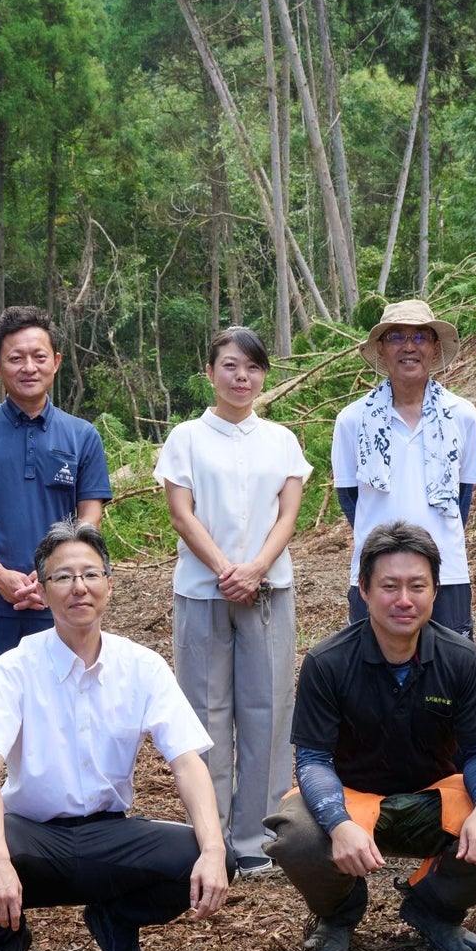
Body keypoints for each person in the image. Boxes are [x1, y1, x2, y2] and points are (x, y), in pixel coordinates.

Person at [0, 521, 233, 951]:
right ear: (42, 591)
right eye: (62, 577)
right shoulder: (13, 669)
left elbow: (187, 762)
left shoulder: (141, 666)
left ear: (109, 585)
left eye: (91, 574)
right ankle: (5, 938)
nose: (79, 587)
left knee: (211, 853)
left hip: (110, 836)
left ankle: (116, 918)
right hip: (32, 840)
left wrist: (215, 851)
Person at [264, 522, 476, 951]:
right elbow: (313, 759)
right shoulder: (327, 662)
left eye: (417, 586)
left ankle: (435, 908)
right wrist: (337, 822)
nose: (404, 599)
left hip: (433, 799)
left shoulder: (461, 659)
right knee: (296, 835)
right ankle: (338, 914)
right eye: (389, 586)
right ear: (364, 590)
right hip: (352, 799)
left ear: (436, 591)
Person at [154, 327, 312, 878]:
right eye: (230, 365)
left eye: (252, 367)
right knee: (206, 712)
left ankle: (257, 836)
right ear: (210, 372)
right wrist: (227, 570)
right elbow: (182, 514)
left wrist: (256, 568)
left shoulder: (281, 440)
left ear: (263, 374)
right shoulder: (186, 438)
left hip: (268, 588)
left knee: (268, 707)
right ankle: (211, 836)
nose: (241, 377)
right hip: (203, 590)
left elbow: (287, 515)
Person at [0, 306, 112, 813]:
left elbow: (90, 517)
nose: (29, 366)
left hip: (64, 604)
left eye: (39, 356)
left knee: (67, 715)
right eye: (16, 358)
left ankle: (63, 824)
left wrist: (59, 579)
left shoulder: (81, 436)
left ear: (56, 361)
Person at [331, 299, 476, 636]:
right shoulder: (353, 420)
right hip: (375, 575)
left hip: (446, 572)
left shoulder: (461, 415)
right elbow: (349, 498)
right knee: (372, 663)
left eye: (420, 337)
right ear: (381, 349)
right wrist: (386, 546)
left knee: (447, 663)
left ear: (435, 347)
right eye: (397, 337)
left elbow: (463, 495)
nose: (409, 347)